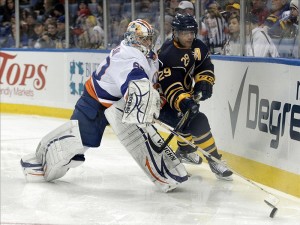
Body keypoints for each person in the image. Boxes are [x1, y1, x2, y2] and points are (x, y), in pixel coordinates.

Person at [20, 19, 188, 192]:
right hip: (95, 103)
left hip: (121, 105)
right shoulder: (127, 55)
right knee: (76, 147)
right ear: (133, 39)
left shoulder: (149, 56)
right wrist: (142, 99)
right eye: (144, 39)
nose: (149, 43)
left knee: (144, 137)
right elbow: (133, 77)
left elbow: (151, 81)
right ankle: (38, 163)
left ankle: (164, 171)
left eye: (149, 39)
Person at [157, 14, 233, 181]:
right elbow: (170, 85)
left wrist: (204, 82)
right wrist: (184, 101)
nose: (190, 36)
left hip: (182, 95)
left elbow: (205, 66)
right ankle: (214, 160)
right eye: (185, 33)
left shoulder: (198, 46)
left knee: (188, 121)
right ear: (175, 33)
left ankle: (185, 151)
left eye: (192, 32)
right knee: (198, 121)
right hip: (163, 101)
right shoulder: (168, 53)